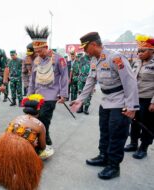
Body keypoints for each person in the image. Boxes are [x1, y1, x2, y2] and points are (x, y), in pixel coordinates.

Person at [70, 32, 139, 180]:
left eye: (85, 47)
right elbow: (90, 80)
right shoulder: (94, 60)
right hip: (106, 101)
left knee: (117, 134)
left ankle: (114, 166)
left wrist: (132, 106)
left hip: (120, 101)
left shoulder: (116, 57)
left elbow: (130, 81)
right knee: (105, 132)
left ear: (94, 44)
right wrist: (80, 99)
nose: (84, 51)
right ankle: (103, 157)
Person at [0, 94, 46, 190]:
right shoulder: (40, 125)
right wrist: (33, 144)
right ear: (38, 111)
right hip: (21, 150)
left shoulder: (16, 118)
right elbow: (43, 147)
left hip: (3, 146)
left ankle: (6, 168)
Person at [24, 25, 68, 145]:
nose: (38, 53)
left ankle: (45, 141)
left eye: (40, 51)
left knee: (44, 119)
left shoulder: (59, 59)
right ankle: (43, 139)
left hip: (50, 95)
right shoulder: (36, 60)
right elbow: (33, 79)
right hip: (37, 95)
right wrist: (29, 95)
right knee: (35, 119)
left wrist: (63, 94)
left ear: (46, 47)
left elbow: (64, 77)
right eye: (36, 51)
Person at [124, 34, 154, 159]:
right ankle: (133, 143)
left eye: (142, 51)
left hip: (148, 99)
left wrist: (153, 102)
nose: (139, 53)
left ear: (152, 50)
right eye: (138, 51)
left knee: (147, 124)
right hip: (135, 98)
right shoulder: (136, 62)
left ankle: (144, 148)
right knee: (134, 122)